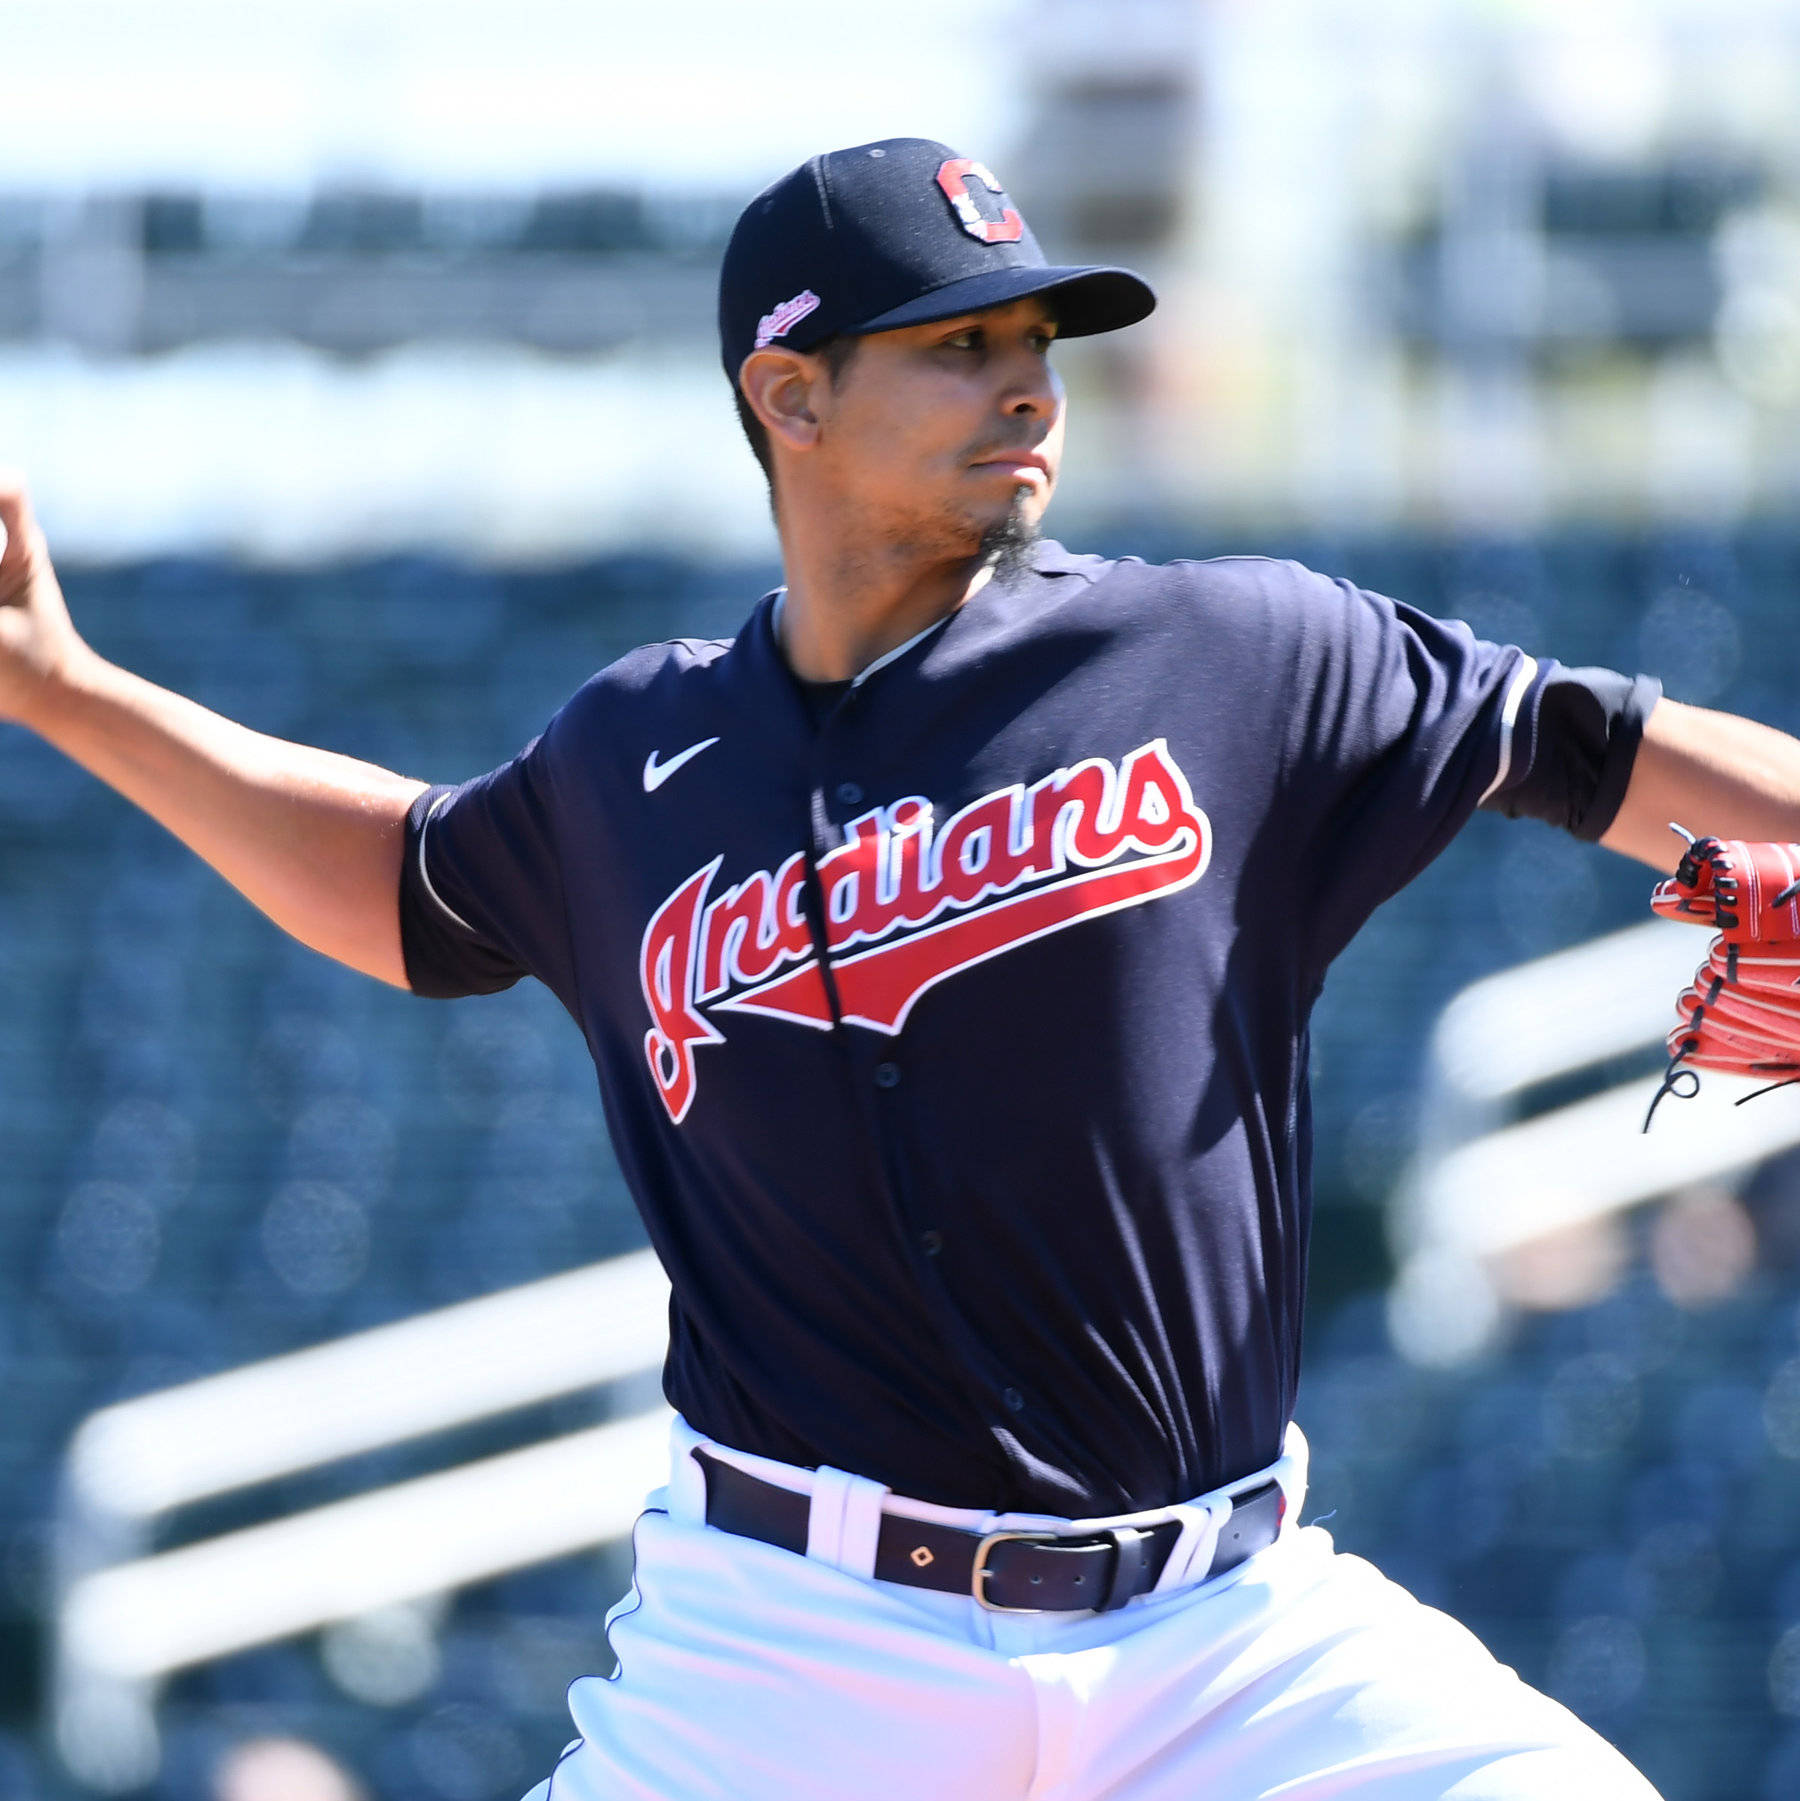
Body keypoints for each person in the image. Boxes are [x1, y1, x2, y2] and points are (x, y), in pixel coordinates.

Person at [4, 136, 1798, 1801]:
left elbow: (1592, 745)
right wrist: (69, 696)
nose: (1026, 379)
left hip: (1221, 1637)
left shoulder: (1233, 653)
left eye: (1040, 337)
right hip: (792, 1647)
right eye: (954, 342)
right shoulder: (632, 756)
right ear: (788, 393)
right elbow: (405, 881)